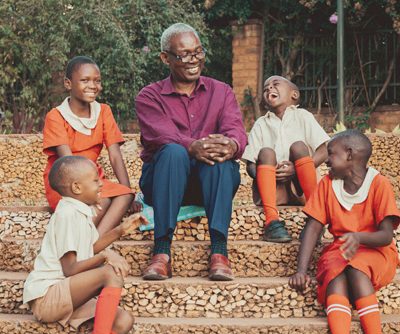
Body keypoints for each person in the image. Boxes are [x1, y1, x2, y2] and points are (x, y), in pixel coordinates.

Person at [135, 23, 247, 281]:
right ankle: (161, 252)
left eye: (198, 52)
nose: (193, 60)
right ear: (165, 58)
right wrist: (191, 147)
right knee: (173, 151)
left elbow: (235, 130)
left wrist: (231, 145)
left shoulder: (222, 91)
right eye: (184, 54)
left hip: (210, 184)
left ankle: (219, 252)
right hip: (164, 181)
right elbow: (160, 134)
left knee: (219, 158)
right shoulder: (149, 96)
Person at [21, 156, 148, 334]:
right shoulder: (67, 214)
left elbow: (89, 249)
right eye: (95, 180)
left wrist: (120, 231)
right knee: (110, 272)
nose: (101, 183)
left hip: (66, 293)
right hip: (47, 296)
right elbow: (70, 268)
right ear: (77, 187)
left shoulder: (80, 211)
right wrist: (105, 256)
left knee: (123, 320)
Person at [289, 130, 400, 334]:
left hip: (376, 251)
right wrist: (300, 270)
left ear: (349, 155)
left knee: (355, 267)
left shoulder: (378, 184)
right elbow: (313, 227)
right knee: (335, 272)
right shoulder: (328, 185)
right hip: (340, 250)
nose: (326, 160)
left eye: (331, 154)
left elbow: (385, 236)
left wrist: (359, 237)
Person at [42, 55, 140, 235]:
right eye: (85, 80)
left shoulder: (103, 111)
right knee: (103, 200)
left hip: (93, 179)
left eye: (97, 81)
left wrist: (128, 190)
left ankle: (94, 244)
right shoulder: (56, 116)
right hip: (66, 180)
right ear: (68, 83)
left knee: (124, 195)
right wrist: (92, 188)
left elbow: (115, 155)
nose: (93, 86)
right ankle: (83, 247)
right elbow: (68, 161)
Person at [242, 75, 330, 242]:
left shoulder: (303, 116)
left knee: (299, 147)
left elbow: (324, 150)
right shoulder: (261, 123)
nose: (269, 89)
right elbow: (250, 165)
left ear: (294, 95)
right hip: (272, 191)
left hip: (301, 187)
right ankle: (272, 221)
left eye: (275, 84)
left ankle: (316, 218)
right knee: (266, 152)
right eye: (266, 88)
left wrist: (296, 170)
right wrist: (267, 173)